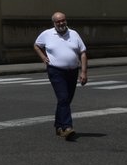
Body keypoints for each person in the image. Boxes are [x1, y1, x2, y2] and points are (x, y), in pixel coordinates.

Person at [33, 11, 88, 139]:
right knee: (63, 98)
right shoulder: (47, 34)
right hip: (56, 71)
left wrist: (84, 72)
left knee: (66, 100)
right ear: (54, 23)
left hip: (72, 71)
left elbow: (83, 52)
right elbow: (36, 45)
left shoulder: (74, 34)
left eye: (63, 20)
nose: (61, 23)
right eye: (58, 21)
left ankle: (58, 125)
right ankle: (67, 127)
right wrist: (43, 57)